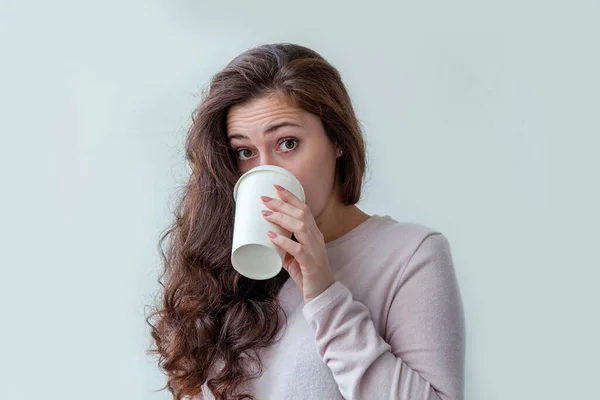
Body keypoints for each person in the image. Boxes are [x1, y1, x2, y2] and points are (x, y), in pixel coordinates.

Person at [146, 43, 465, 400]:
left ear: (337, 140)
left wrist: (324, 293)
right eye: (245, 152)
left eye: (287, 143)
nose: (265, 169)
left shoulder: (410, 256)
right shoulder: (224, 267)